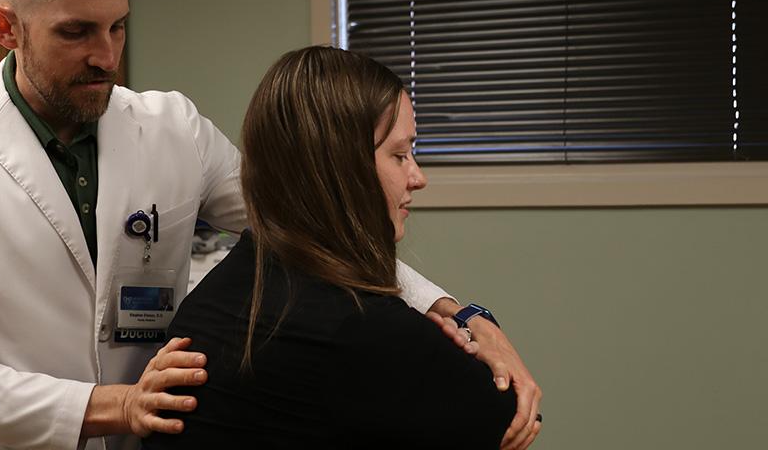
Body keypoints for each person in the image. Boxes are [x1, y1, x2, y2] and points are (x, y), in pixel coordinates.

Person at [0, 0, 540, 449]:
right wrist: (113, 403)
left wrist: (460, 313)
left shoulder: (173, 128)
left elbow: (307, 220)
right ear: (6, 27)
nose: (107, 55)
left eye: (119, 27)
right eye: (76, 32)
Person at [145, 46, 524, 449]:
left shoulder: (208, 303)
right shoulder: (361, 329)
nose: (417, 177)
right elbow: (511, 417)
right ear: (343, 169)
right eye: (399, 155)